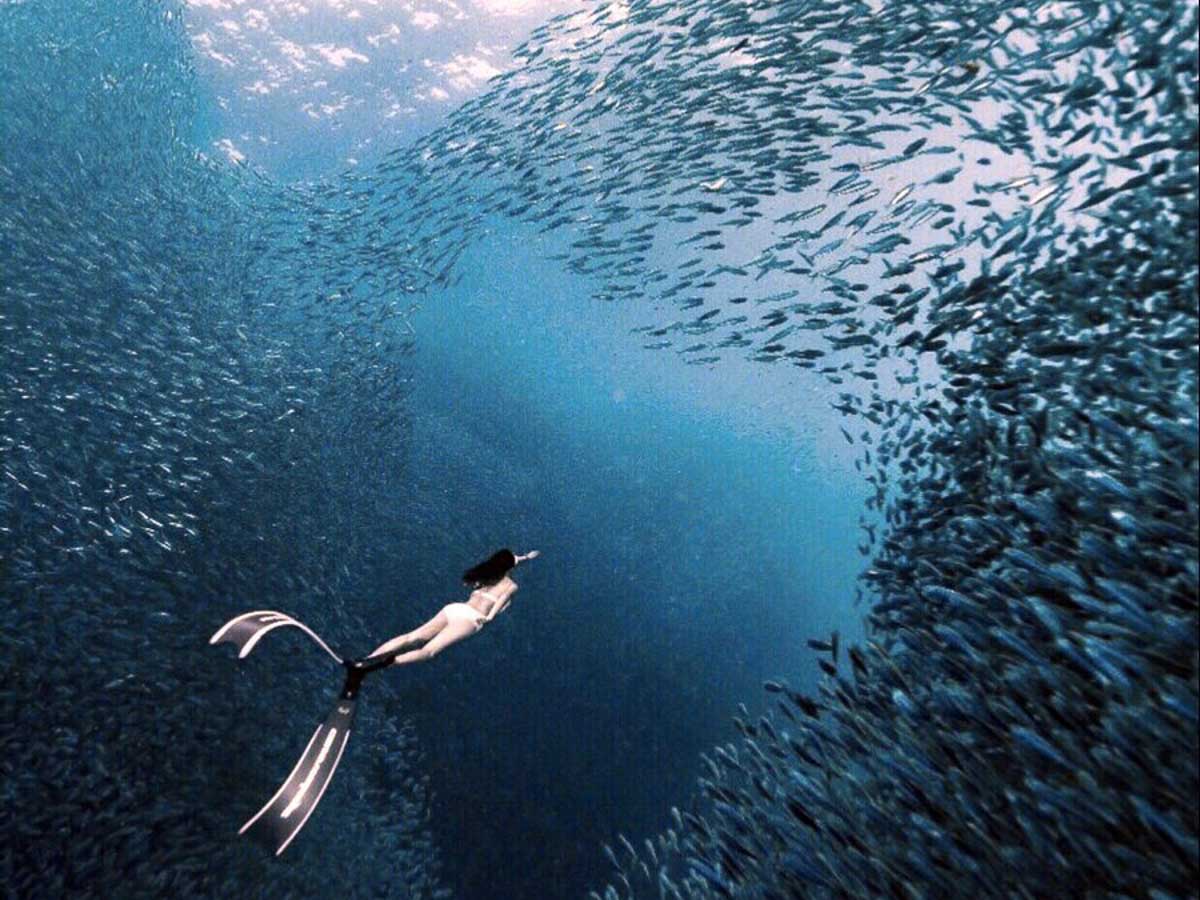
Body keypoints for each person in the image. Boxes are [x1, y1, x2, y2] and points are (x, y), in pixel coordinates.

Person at [368, 548, 539, 667]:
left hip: (455, 608)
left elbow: (511, 559)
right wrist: (488, 618)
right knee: (428, 652)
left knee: (412, 637)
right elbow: (498, 606)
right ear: (511, 567)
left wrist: (527, 557)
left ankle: (369, 659)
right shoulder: (511, 586)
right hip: (471, 619)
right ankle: (386, 663)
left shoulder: (486, 574)